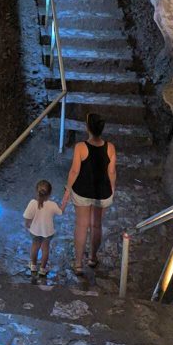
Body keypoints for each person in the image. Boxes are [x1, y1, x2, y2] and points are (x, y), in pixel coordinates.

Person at [60, 112, 117, 275]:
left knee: (81, 226)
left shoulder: (80, 147)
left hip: (82, 192)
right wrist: (112, 187)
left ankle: (78, 264)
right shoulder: (110, 147)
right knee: (96, 225)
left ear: (88, 127)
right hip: (102, 192)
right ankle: (92, 257)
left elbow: (74, 171)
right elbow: (111, 171)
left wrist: (67, 191)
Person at [23, 179, 63, 277]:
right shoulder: (52, 205)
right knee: (45, 249)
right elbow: (60, 212)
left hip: (35, 231)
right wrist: (65, 198)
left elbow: (27, 217)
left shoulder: (32, 203)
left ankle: (33, 266)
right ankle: (43, 269)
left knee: (34, 247)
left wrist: (27, 224)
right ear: (50, 193)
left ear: (36, 192)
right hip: (48, 232)